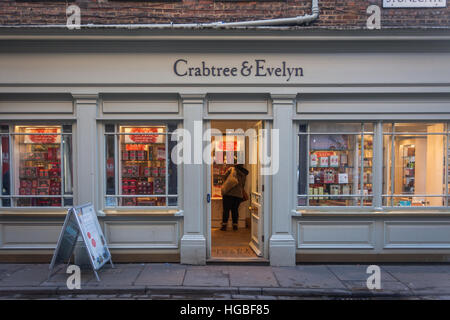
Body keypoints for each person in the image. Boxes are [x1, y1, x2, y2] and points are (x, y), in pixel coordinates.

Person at [220, 164, 249, 231]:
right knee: (235, 210)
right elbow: (243, 185)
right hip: (238, 194)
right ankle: (235, 225)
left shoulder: (231, 169)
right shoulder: (244, 174)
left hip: (228, 193)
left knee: (226, 210)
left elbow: (224, 177)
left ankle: (224, 225)